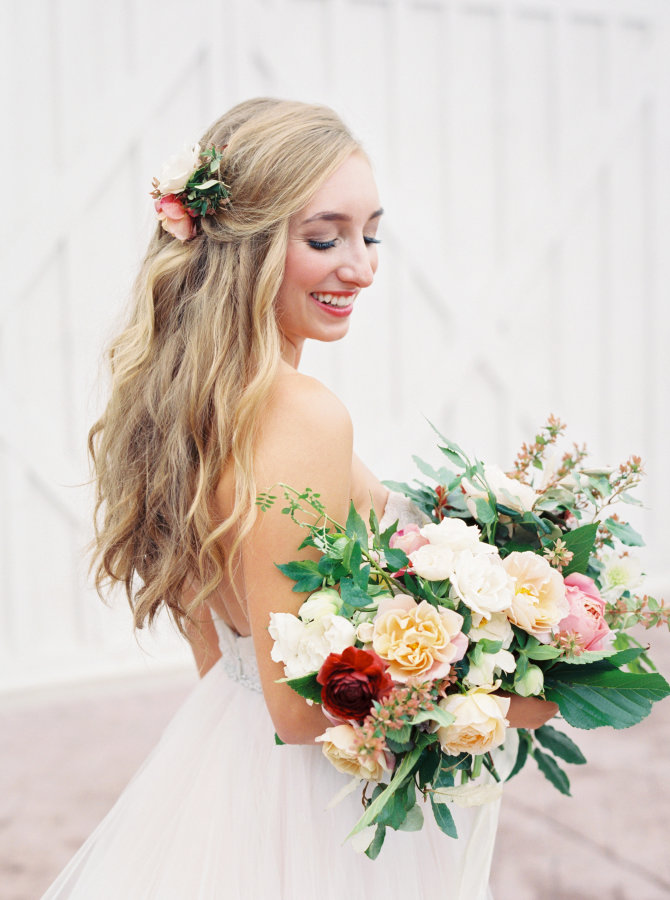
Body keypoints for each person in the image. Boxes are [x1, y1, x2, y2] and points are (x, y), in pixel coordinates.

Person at [43, 98, 556, 899]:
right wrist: (510, 689)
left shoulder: (194, 407)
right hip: (313, 802)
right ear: (242, 249)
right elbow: (297, 711)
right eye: (325, 238)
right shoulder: (296, 413)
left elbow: (217, 654)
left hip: (231, 765)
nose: (361, 266)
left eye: (370, 233)